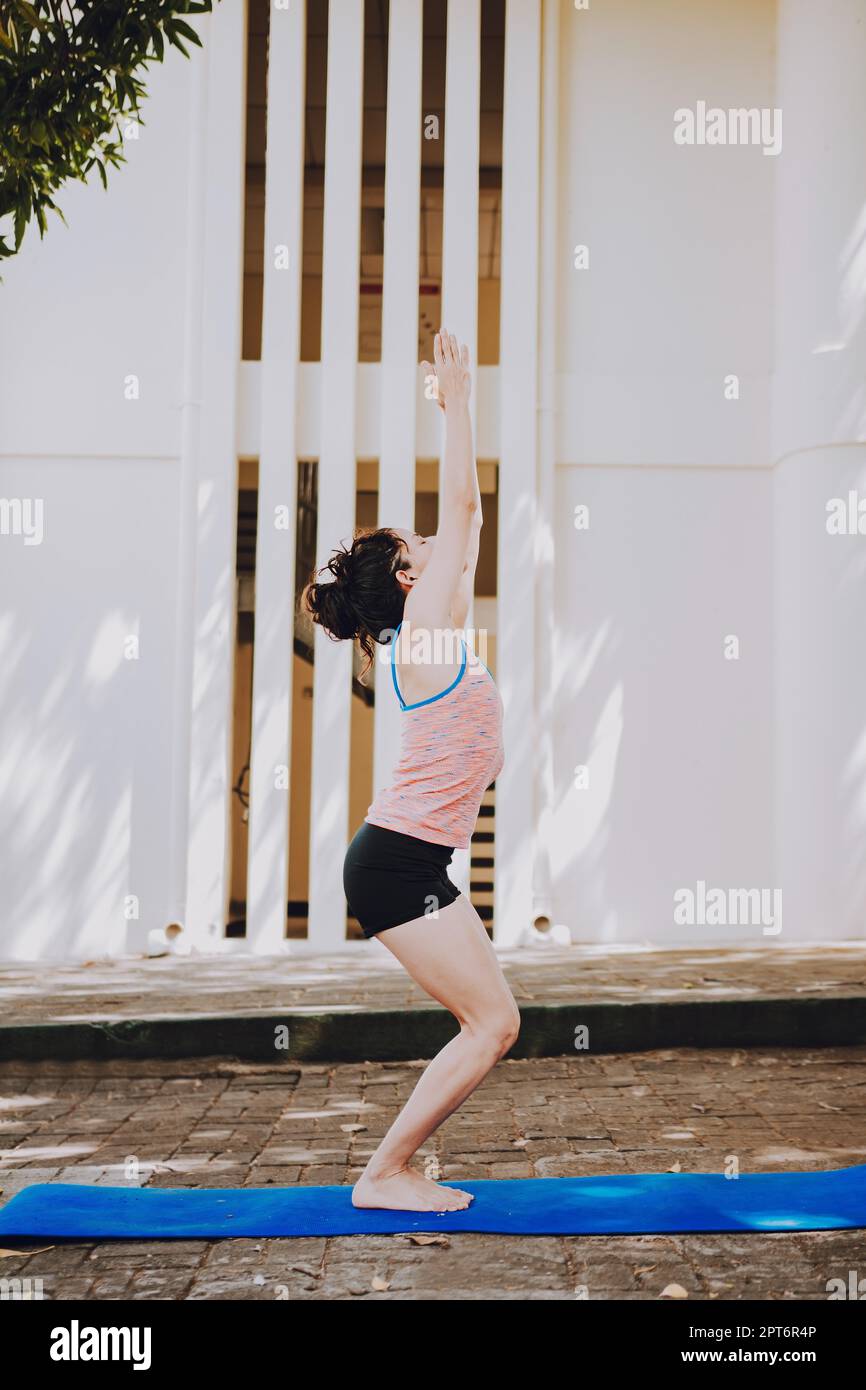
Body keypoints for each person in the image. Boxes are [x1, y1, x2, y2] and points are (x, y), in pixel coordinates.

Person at [301, 329, 520, 1213]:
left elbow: (463, 537)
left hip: (411, 863)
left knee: (493, 1020)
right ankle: (383, 1174)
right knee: (495, 1022)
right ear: (404, 574)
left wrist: (455, 413)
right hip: (394, 864)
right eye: (415, 539)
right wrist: (459, 402)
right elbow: (465, 514)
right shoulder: (420, 637)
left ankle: (389, 1170)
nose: (433, 537)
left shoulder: (426, 637)